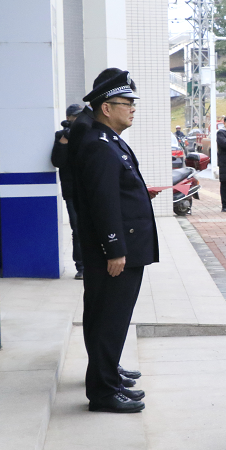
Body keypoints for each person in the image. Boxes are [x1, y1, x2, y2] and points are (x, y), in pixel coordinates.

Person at [76, 69, 159, 413]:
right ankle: (103, 391)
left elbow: (116, 193)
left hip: (125, 246)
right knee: (109, 319)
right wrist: (114, 249)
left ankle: (107, 375)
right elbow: (103, 204)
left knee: (111, 318)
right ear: (106, 108)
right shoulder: (98, 145)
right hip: (116, 251)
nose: (133, 108)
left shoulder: (110, 141)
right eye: (127, 103)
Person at [52, 104, 85, 279]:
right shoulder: (62, 136)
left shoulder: (89, 133)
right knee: (78, 229)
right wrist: (64, 142)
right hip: (72, 191)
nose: (79, 120)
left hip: (90, 189)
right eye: (75, 117)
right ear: (69, 118)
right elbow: (57, 161)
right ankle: (81, 267)